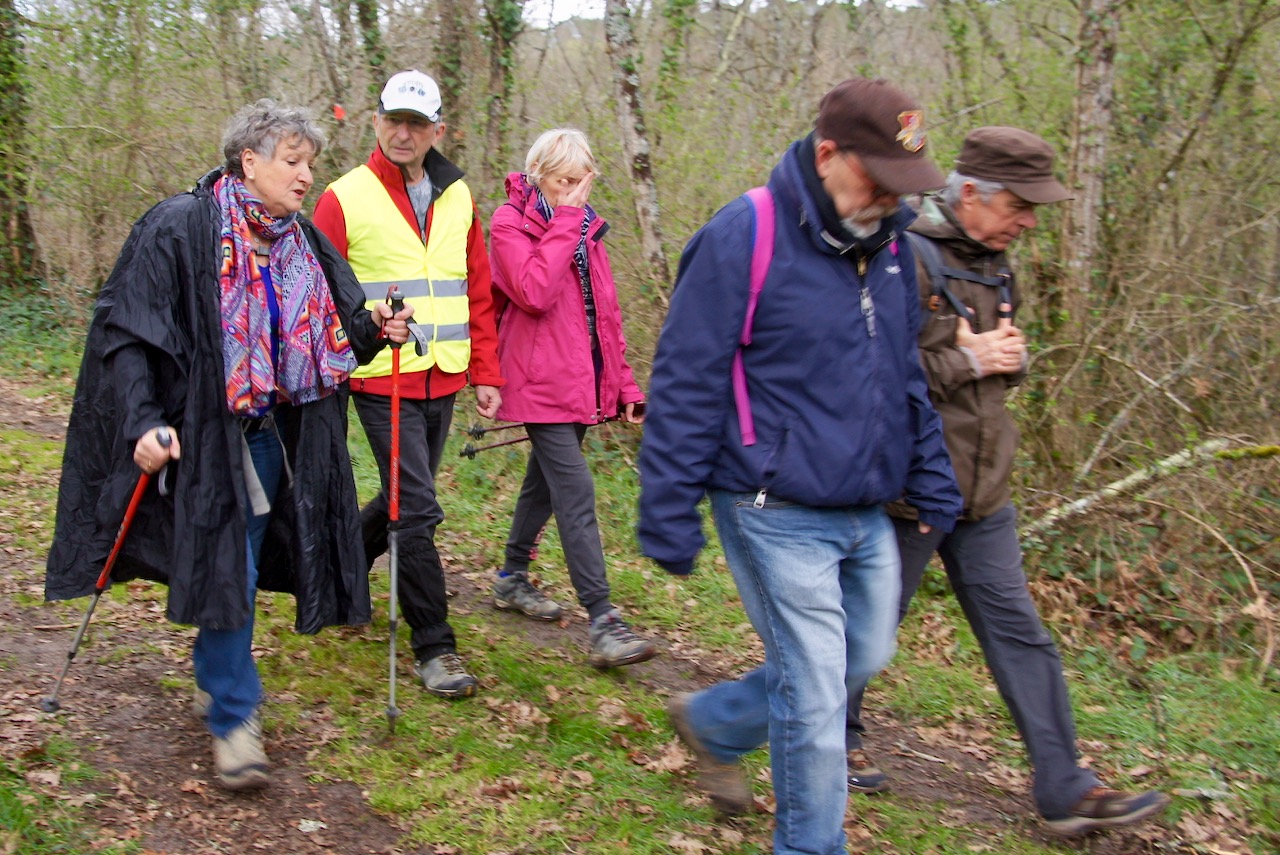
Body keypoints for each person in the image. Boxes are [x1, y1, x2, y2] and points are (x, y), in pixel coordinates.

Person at [45, 100, 413, 791]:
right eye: (293, 161)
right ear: (250, 160)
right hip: (205, 437)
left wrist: (377, 329)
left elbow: (336, 333)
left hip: (276, 436)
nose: (307, 176)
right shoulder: (180, 228)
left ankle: (216, 679)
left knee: (234, 563)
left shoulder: (302, 241)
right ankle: (235, 718)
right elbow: (126, 332)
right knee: (230, 571)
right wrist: (143, 423)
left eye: (310, 162)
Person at [638, 78, 963, 855]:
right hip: (770, 504)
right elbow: (686, 377)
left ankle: (716, 722)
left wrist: (930, 471)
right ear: (827, 154)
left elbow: (903, 374)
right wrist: (669, 506)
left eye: (902, 185)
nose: (890, 199)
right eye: (878, 180)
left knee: (864, 656)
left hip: (863, 505)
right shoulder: (743, 235)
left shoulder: (890, 250)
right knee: (816, 695)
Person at [843, 126, 1170, 835]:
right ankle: (823, 734)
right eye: (1021, 206)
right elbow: (870, 376)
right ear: (969, 194)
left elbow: (993, 371)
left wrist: (1005, 358)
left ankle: (1065, 786)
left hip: (985, 491)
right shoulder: (906, 258)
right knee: (869, 628)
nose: (1028, 221)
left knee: (1020, 633)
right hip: (911, 488)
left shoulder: (998, 265)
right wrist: (970, 361)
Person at [313, 69, 504, 699]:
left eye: (417, 124)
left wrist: (486, 372)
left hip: (441, 376)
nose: (404, 132)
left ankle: (334, 566)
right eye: (393, 120)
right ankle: (435, 646)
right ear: (375, 122)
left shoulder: (458, 196)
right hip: (377, 378)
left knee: (401, 503)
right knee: (416, 509)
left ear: (437, 131)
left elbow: (477, 288)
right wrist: (357, 336)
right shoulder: (343, 198)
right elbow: (318, 296)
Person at [487, 128, 655, 668]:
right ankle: (604, 619)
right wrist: (566, 222)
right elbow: (533, 291)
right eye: (563, 182)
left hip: (580, 381)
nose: (573, 193)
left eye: (580, 183)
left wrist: (625, 384)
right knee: (575, 489)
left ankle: (512, 577)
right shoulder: (508, 223)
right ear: (539, 175)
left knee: (544, 482)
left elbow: (604, 315)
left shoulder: (587, 228)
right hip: (537, 382)